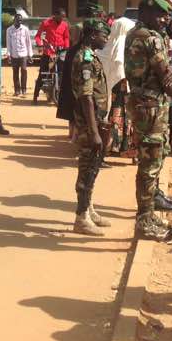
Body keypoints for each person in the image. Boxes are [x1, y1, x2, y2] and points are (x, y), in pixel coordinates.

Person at [125, 0, 172, 241]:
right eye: (159, 15)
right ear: (145, 13)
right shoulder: (149, 38)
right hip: (150, 106)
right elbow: (165, 75)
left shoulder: (137, 34)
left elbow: (165, 71)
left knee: (156, 156)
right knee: (149, 164)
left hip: (147, 104)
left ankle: (150, 212)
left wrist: (169, 71)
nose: (163, 20)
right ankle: (144, 221)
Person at [69, 19, 112, 235]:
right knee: (86, 168)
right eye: (104, 34)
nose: (107, 38)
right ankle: (81, 217)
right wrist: (94, 131)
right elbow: (86, 97)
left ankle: (88, 208)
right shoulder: (85, 59)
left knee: (93, 167)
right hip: (89, 123)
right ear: (93, 34)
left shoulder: (90, 55)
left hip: (95, 120)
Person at [99, 16, 136, 159]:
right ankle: (120, 146)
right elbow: (121, 69)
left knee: (114, 115)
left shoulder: (109, 44)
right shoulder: (123, 43)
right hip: (122, 88)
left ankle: (112, 145)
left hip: (112, 88)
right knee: (121, 116)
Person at [33, 9, 70, 103]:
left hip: (60, 52)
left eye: (64, 17)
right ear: (55, 15)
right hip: (48, 52)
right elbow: (38, 36)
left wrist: (66, 48)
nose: (62, 19)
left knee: (64, 73)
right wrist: (40, 44)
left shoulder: (65, 25)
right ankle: (35, 96)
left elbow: (66, 37)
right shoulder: (46, 23)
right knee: (42, 74)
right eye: (61, 17)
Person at [5, 11, 33, 98]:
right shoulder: (9, 30)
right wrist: (8, 55)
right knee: (15, 72)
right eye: (18, 20)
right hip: (14, 54)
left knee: (24, 71)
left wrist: (30, 55)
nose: (19, 22)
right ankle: (17, 90)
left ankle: (24, 90)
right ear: (14, 20)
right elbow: (8, 43)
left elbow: (28, 42)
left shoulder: (25, 29)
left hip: (23, 54)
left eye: (21, 20)